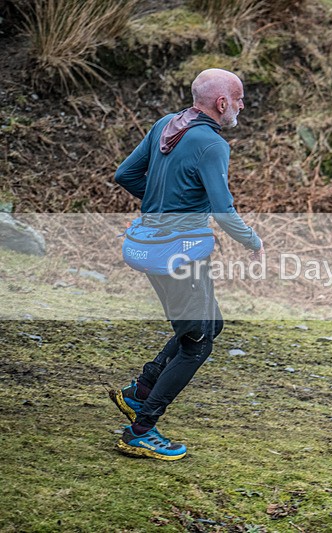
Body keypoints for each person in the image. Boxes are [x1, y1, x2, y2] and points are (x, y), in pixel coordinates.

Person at [110, 68, 264, 460]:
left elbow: (125, 174)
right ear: (222, 102)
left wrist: (163, 206)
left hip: (154, 247)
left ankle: (141, 390)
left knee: (209, 325)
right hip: (177, 254)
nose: (243, 105)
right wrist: (252, 240)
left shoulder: (167, 124)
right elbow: (224, 212)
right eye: (240, 98)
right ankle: (141, 430)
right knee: (197, 343)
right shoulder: (212, 145)